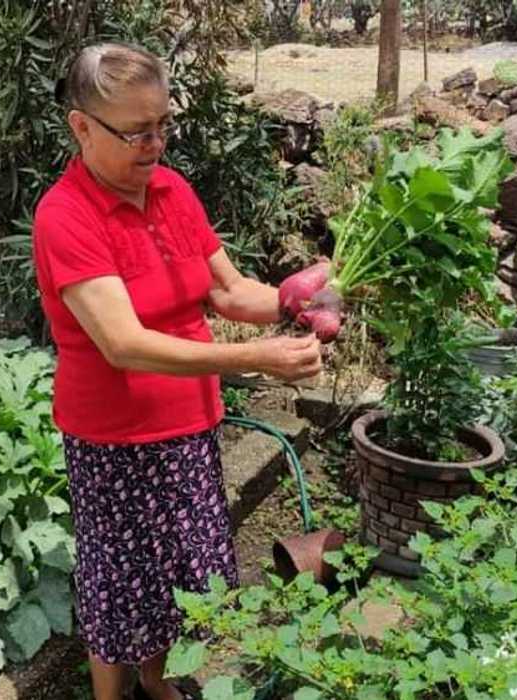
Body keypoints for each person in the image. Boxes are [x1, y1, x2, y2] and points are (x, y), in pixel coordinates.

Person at [31, 42, 324, 700]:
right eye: (136, 131)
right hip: (115, 440)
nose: (154, 143)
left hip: (188, 426)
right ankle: (112, 696)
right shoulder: (66, 216)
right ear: (82, 126)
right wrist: (256, 357)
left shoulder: (171, 190)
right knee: (118, 584)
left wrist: (301, 294)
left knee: (175, 576)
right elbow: (124, 344)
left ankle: (157, 685)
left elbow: (227, 292)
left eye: (163, 124)